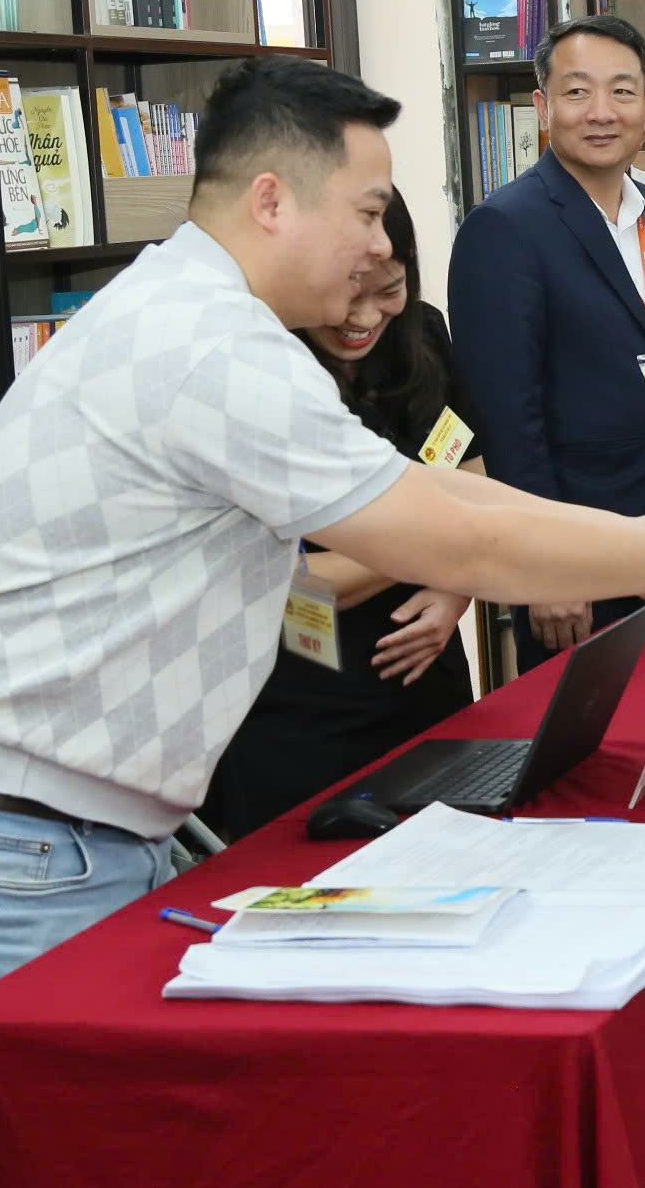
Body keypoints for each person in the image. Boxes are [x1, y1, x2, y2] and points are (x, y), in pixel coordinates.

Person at [0, 58, 645, 1169]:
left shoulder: (203, 314)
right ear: (273, 199)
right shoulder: (205, 343)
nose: (381, 247)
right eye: (367, 212)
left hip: (59, 830)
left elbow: (442, 492)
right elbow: (449, 537)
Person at [199, 195, 481, 843]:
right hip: (301, 705)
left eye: (388, 290)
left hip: (426, 678)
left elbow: (472, 476)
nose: (364, 317)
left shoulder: (424, 335)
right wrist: (444, 546)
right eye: (349, 290)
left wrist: (454, 588)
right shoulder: (261, 373)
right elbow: (282, 583)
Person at [450, 15, 645, 672]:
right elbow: (508, 422)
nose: (602, 112)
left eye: (622, 91)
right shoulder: (504, 228)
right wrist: (547, 568)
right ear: (543, 106)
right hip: (584, 563)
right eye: (577, 92)